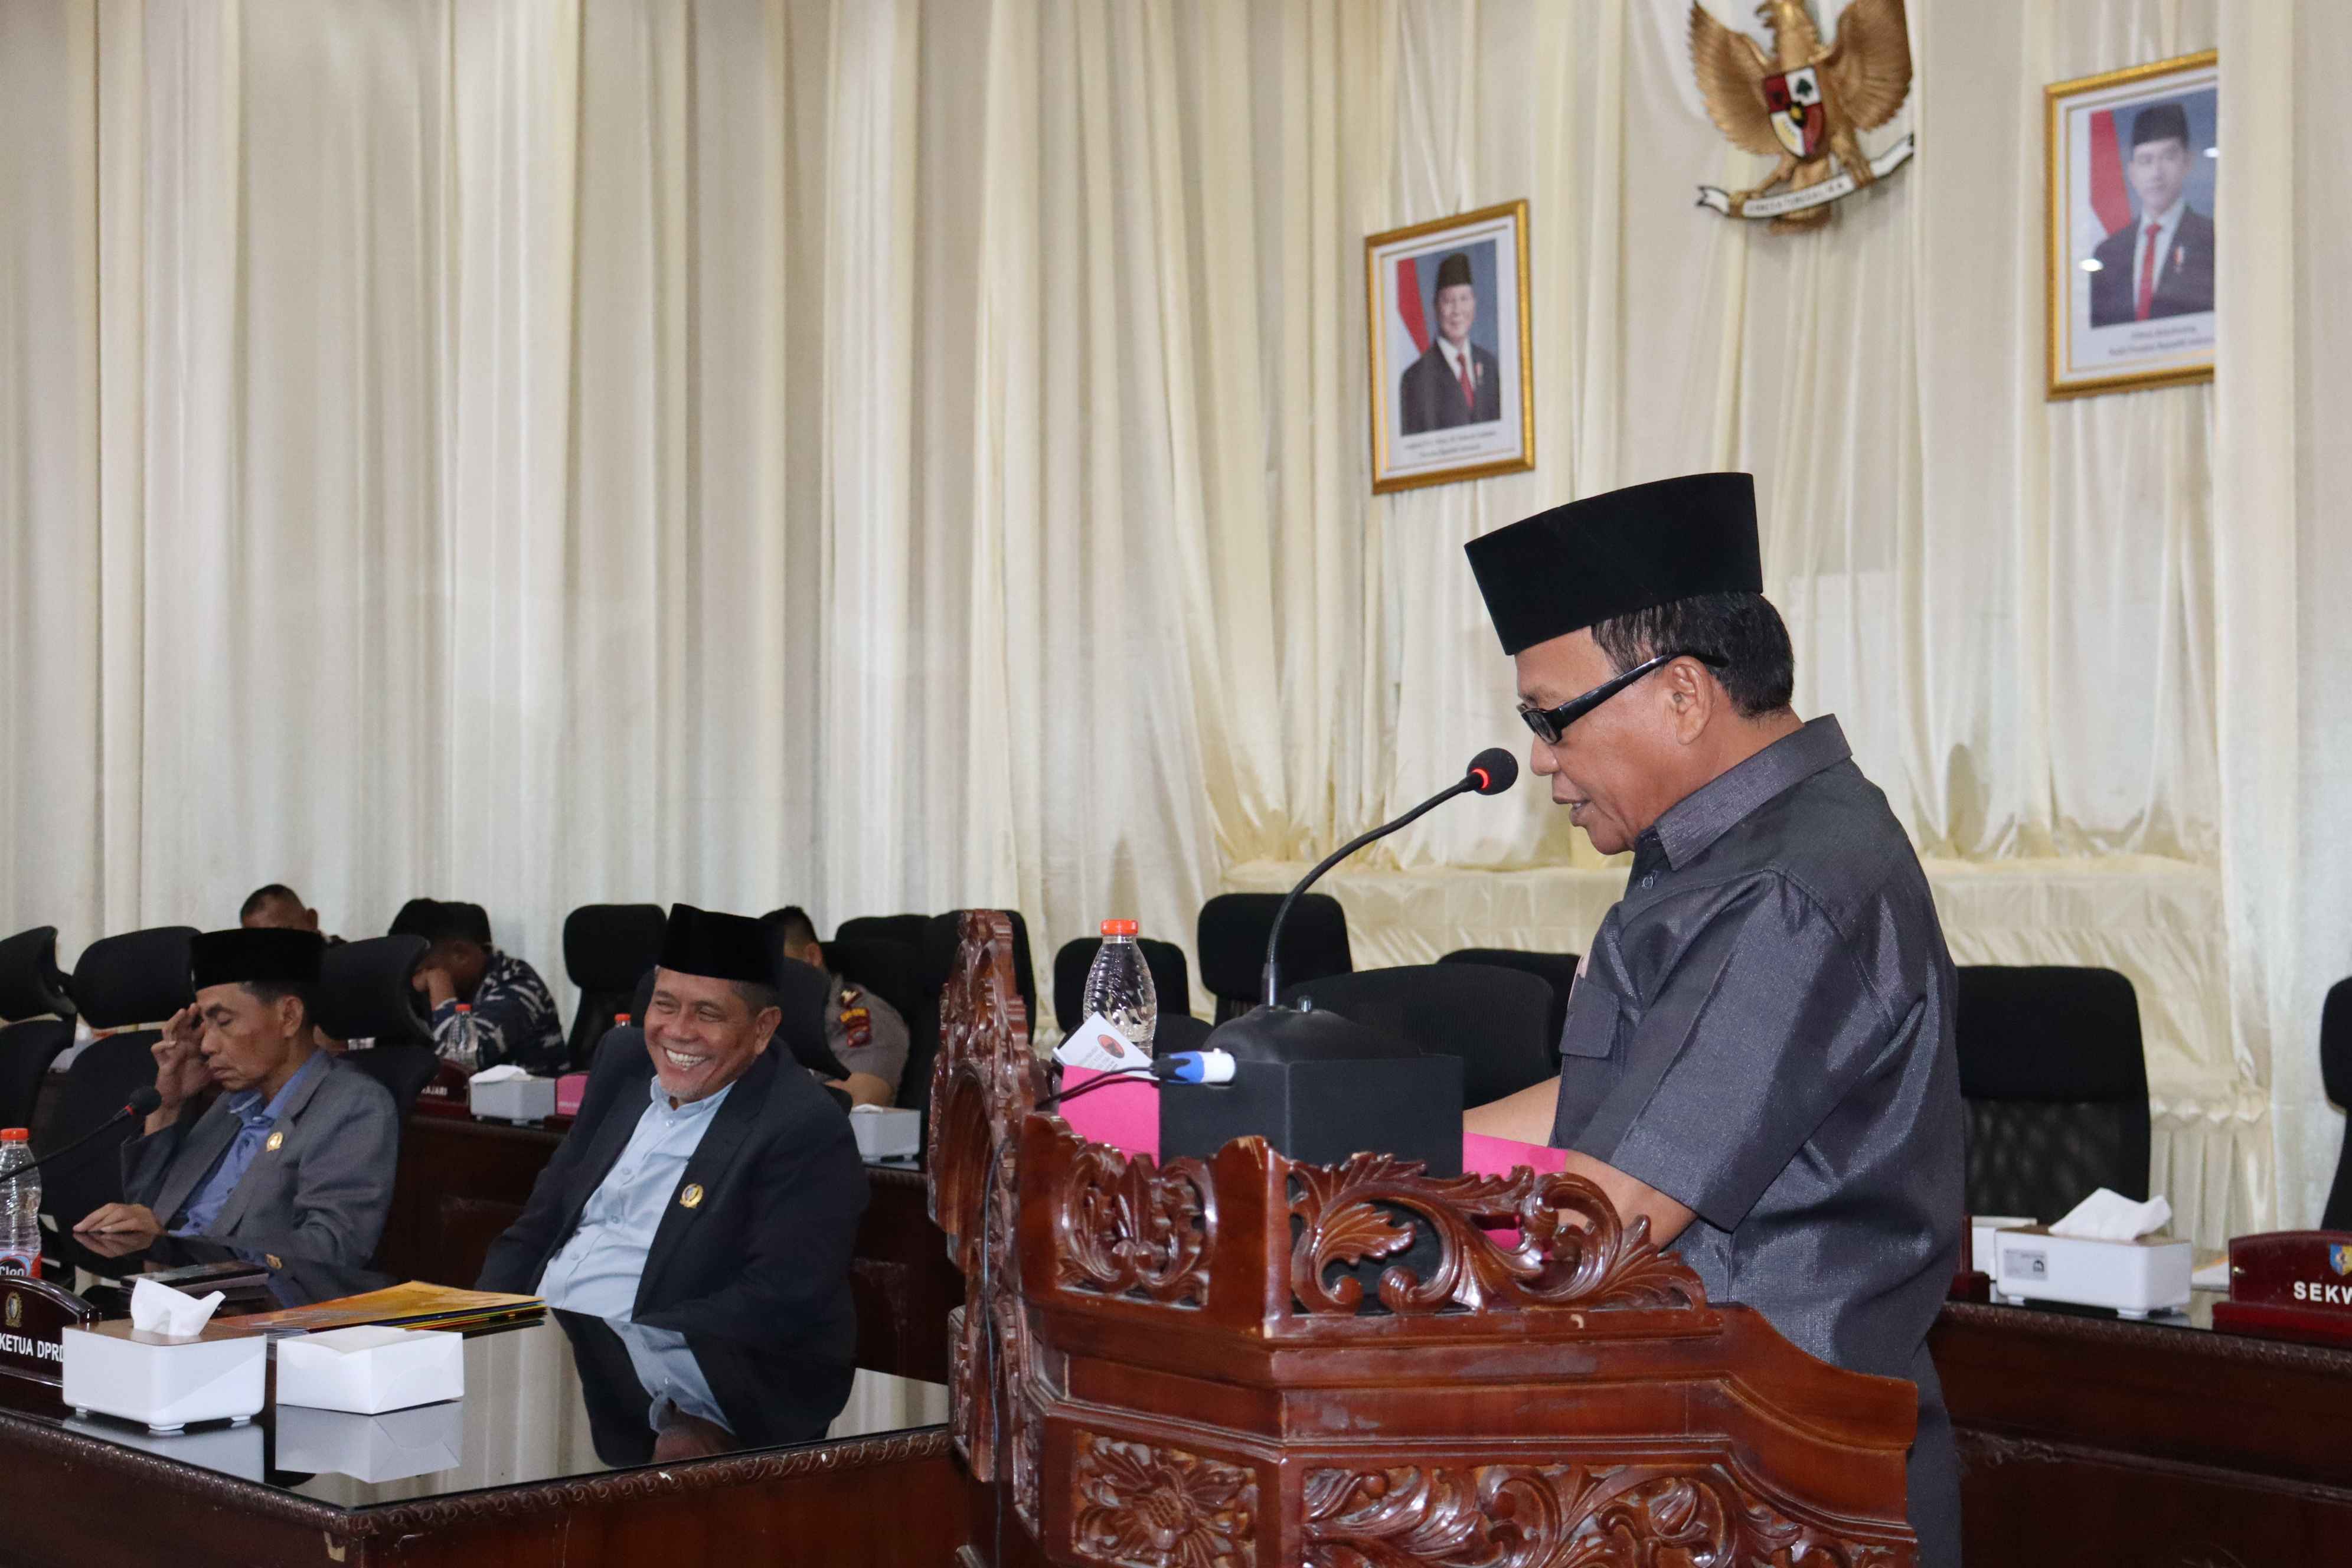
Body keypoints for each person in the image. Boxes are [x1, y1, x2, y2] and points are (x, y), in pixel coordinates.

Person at [1460, 472, 1964, 1568]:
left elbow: (1620, 1206)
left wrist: (1369, 1219)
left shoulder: (1790, 886)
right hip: (1703, 1459)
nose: (1540, 761)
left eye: (1550, 720)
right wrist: (1374, 1150)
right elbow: (1609, 1104)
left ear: (1681, 694)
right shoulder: (1723, 855)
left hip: (1776, 1488)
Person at [478, 904, 867, 1390]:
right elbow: (537, 1225)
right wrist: (481, 1335)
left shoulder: (803, 1124)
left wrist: (601, 1356)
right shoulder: (624, 1064)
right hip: (535, 1359)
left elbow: (774, 1300)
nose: (678, 1031)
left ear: (763, 1029)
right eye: (664, 1005)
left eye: (707, 1013)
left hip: (665, 1380)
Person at [74, 927, 400, 1267]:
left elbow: (329, 1253)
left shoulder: (353, 1105)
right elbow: (148, 1214)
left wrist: (174, 1246)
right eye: (205, 1024)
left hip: (253, 1313)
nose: (206, 1045)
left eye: (224, 1022)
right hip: (170, 1302)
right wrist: (168, 1104)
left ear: (288, 1016)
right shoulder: (232, 1104)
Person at [392, 899, 564, 1073]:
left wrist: (438, 982)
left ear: (461, 954)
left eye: (422, 972)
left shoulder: (519, 986)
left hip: (526, 1099)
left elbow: (455, 1065)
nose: (417, 982)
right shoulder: (446, 990)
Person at [761, 906, 909, 1106]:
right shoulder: (762, 1018)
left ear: (811, 957)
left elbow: (856, 1102)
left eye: (777, 966)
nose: (768, 980)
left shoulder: (860, 1016)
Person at [2088, 102, 2214, 327]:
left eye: (2168, 157)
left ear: (2187, 162)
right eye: (2146, 161)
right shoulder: (2107, 253)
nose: (2156, 173)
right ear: (2132, 172)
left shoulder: (2212, 240)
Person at [1398, 251, 1502, 435]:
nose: (1457, 310)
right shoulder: (1415, 379)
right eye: (1448, 301)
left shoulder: (1490, 365)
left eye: (1464, 299)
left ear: (1474, 303)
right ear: (1436, 307)